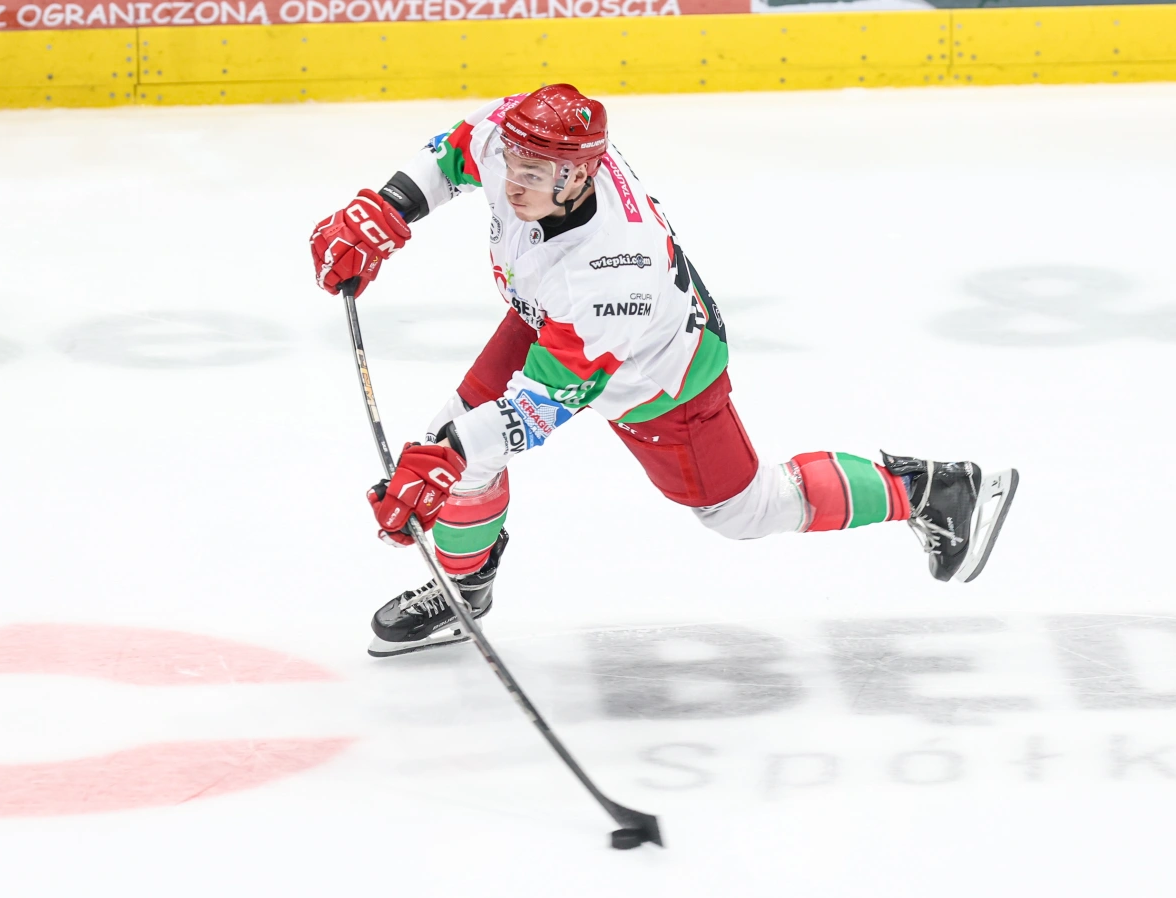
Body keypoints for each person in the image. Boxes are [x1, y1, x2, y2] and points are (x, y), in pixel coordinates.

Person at [310, 84, 1019, 658]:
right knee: (456, 444)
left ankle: (934, 490)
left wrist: (447, 457)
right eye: (514, 164)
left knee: (743, 510)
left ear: (578, 175)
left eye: (533, 174)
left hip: (657, 375)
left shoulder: (612, 269)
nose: (514, 182)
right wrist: (387, 210)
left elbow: (538, 409)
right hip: (552, 318)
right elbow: (457, 153)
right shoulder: (525, 138)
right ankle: (465, 590)